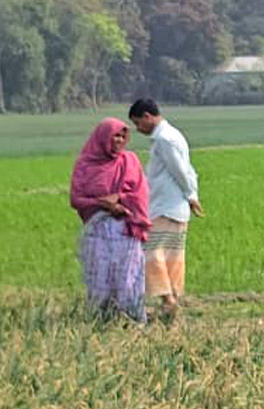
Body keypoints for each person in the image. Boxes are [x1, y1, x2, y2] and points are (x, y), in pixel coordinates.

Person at [69, 118, 151, 322]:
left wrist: (121, 199)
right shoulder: (85, 164)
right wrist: (102, 204)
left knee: (127, 276)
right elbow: (76, 198)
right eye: (116, 135)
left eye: (123, 136)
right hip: (98, 230)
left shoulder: (129, 161)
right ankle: (101, 319)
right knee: (100, 276)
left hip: (125, 229)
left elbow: (141, 192)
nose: (120, 140)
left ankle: (131, 319)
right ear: (103, 137)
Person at [128, 98, 201, 320]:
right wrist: (191, 195)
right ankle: (171, 300)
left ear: (147, 116)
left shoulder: (164, 140)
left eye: (137, 122)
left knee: (151, 252)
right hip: (173, 205)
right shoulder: (171, 135)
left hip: (167, 206)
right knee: (172, 254)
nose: (137, 129)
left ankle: (168, 299)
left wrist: (191, 194)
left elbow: (181, 171)